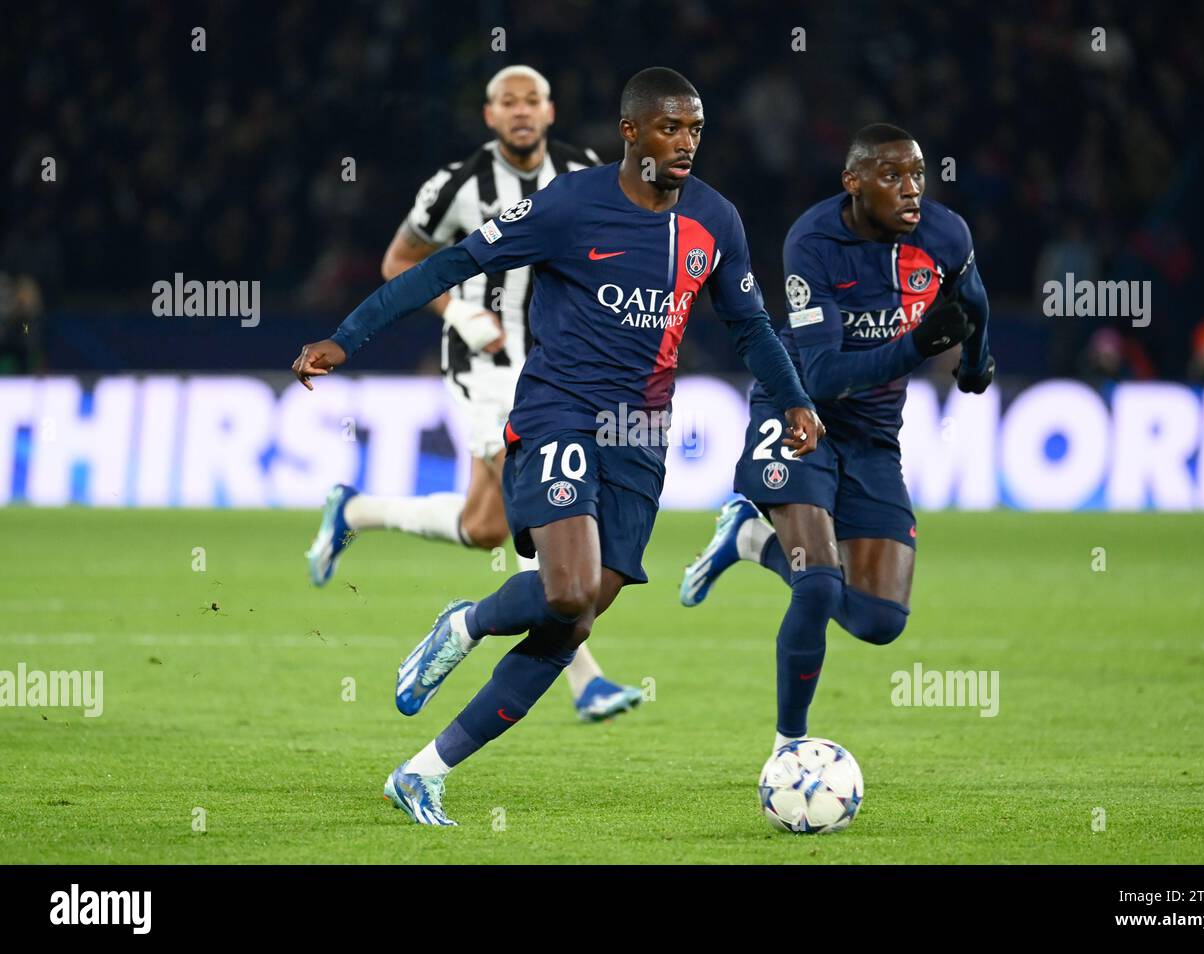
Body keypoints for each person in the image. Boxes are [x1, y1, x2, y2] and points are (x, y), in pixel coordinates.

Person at [291, 67, 824, 825]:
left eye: (696, 130)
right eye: (670, 128)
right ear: (631, 131)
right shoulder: (570, 206)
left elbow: (749, 326)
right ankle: (467, 624)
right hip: (558, 413)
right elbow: (449, 263)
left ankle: (422, 771)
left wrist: (797, 398)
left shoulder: (716, 219)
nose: (685, 143)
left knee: (572, 621)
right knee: (567, 589)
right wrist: (348, 338)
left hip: (641, 437)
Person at [304, 65, 641, 723]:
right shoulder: (454, 186)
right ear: (489, 116)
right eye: (507, 102)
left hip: (556, 361)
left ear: (551, 111)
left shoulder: (589, 171)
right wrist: (459, 313)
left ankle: (356, 512)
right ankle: (587, 678)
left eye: (532, 100)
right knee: (542, 499)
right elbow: (400, 261)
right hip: (481, 366)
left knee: (486, 527)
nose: (520, 111)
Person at [680, 124, 994, 753]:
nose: (911, 191)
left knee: (880, 621)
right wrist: (918, 346)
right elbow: (820, 376)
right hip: (798, 411)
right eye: (892, 177)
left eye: (918, 176)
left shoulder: (945, 235)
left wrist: (976, 363)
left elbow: (974, 299)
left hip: (875, 431)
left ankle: (750, 540)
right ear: (853, 183)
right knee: (820, 581)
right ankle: (788, 749)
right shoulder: (814, 241)